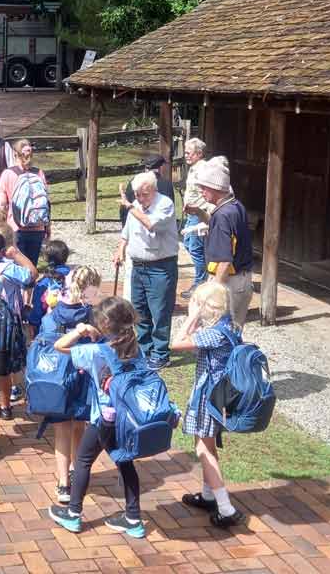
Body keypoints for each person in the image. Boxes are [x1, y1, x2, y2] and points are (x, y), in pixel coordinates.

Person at [48, 296, 146, 539]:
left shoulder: (96, 352)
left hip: (104, 418)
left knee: (81, 461)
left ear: (103, 323)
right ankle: (133, 519)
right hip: (128, 417)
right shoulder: (136, 348)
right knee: (125, 462)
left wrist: (80, 330)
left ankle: (73, 514)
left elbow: (59, 346)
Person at [171, 280, 244, 528]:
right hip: (218, 397)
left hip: (207, 398)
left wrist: (191, 317)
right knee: (208, 447)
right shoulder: (230, 327)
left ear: (205, 306)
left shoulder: (213, 334)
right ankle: (208, 495)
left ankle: (226, 508)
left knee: (203, 451)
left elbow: (176, 344)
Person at [37, 265, 101, 503]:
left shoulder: (53, 313)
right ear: (90, 289)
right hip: (84, 376)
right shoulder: (92, 315)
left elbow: (43, 337)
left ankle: (63, 483)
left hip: (57, 378)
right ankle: (78, 471)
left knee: (61, 430)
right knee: (78, 428)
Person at [115, 170, 179, 369]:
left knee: (160, 312)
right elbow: (127, 231)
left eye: (144, 194)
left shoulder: (165, 204)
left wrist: (130, 206)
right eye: (138, 195)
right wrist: (120, 249)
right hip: (138, 266)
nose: (141, 199)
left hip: (160, 267)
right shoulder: (135, 205)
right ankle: (145, 349)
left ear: (153, 189)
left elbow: (151, 224)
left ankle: (161, 354)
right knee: (139, 310)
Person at [0, 230, 38, 418]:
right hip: (6, 323)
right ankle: (5, 406)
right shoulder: (8, 268)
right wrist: (17, 255)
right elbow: (32, 276)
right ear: (2, 249)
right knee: (3, 364)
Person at [194, 158, 253, 328]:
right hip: (243, 280)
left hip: (229, 282)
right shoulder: (235, 206)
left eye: (203, 187)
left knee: (217, 335)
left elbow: (225, 262)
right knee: (233, 335)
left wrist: (213, 292)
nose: (201, 191)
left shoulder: (222, 216)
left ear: (216, 188)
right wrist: (198, 211)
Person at [0, 138, 50, 266]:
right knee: (32, 265)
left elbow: (3, 204)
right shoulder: (39, 173)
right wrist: (48, 226)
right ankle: (31, 286)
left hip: (16, 226)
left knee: (18, 265)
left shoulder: (8, 174)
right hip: (38, 226)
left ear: (15, 154)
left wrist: (1, 223)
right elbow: (46, 200)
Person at [180, 139, 220, 298]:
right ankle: (204, 277)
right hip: (192, 214)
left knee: (195, 248)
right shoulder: (193, 168)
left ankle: (200, 283)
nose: (186, 156)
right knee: (189, 245)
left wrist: (206, 212)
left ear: (199, 154)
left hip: (200, 213)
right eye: (185, 152)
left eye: (188, 153)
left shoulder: (204, 169)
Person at [118, 154, 175, 227]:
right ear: (161, 168)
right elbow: (170, 212)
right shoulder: (167, 184)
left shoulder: (134, 182)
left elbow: (125, 209)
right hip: (157, 225)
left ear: (145, 168)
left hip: (136, 222)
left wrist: (125, 227)